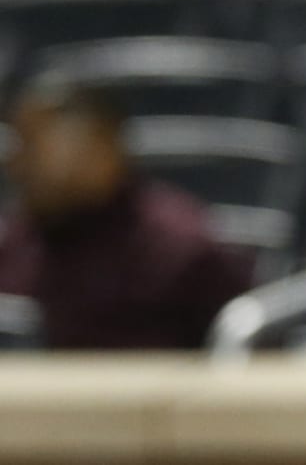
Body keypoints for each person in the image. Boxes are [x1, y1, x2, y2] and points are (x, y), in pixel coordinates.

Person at [0, 78, 253, 349]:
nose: (15, 163)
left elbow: (253, 353)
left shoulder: (178, 245)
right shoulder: (14, 242)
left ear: (102, 148)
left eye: (33, 145)